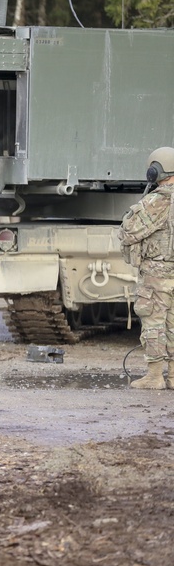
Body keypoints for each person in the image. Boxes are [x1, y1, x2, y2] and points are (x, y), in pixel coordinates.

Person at [118, 146, 174, 390]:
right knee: (173, 324)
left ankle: (154, 376)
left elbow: (128, 231)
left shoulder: (158, 201)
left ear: (155, 171)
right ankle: (172, 375)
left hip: (157, 275)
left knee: (153, 322)